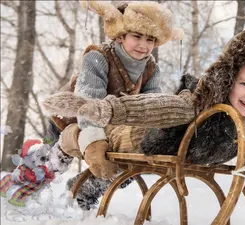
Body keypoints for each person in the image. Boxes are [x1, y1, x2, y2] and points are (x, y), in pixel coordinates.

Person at [43, 26, 245, 210]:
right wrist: (105, 109)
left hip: (166, 149)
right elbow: (161, 107)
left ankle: (83, 190)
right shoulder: (201, 103)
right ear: (229, 81)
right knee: (113, 161)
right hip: (138, 132)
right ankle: (63, 165)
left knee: (120, 175)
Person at [48, 0, 184, 180]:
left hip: (110, 122)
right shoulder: (98, 57)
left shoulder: (150, 69)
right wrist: (92, 140)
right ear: (121, 35)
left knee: (123, 163)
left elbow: (151, 107)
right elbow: (87, 105)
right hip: (73, 116)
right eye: (137, 36)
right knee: (51, 162)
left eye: (150, 39)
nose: (143, 45)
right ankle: (35, 173)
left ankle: (84, 191)